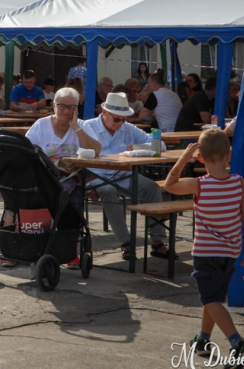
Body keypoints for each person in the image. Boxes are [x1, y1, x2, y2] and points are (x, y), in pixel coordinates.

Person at [163, 130, 244, 369]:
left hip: (206, 253)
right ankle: (203, 338)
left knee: (210, 299)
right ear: (229, 155)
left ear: (201, 158)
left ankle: (238, 344)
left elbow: (169, 184)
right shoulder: (239, 182)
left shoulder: (199, 185)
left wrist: (185, 156)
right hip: (231, 252)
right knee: (213, 297)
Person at [84, 92, 174, 261]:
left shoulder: (127, 127)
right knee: (108, 190)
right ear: (104, 113)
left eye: (124, 119)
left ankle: (157, 241)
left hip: (123, 175)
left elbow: (160, 144)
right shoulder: (88, 126)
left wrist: (139, 146)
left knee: (152, 187)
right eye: (117, 119)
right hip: (95, 175)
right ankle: (126, 242)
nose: (120, 123)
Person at [26, 86, 102, 268]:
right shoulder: (41, 125)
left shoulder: (82, 126)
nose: (67, 111)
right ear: (54, 106)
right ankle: (29, 247)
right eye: (62, 106)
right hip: (44, 179)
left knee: (72, 199)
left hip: (70, 181)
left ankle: (70, 252)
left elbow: (96, 150)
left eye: (72, 107)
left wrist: (75, 127)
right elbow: (27, 151)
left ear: (77, 109)